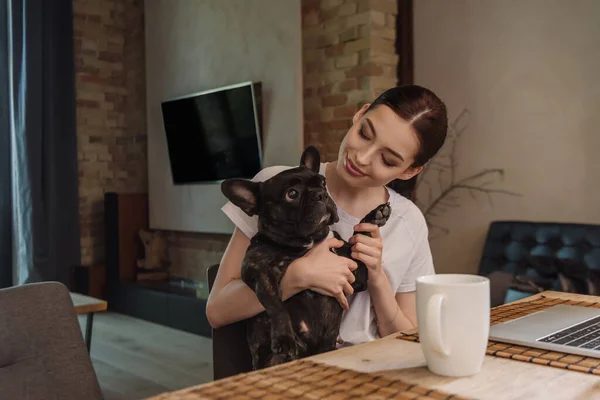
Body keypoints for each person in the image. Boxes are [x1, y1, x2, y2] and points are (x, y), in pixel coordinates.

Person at [206, 84, 448, 346]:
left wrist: (377, 279)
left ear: (410, 171)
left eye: (387, 160)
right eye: (364, 134)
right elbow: (217, 311)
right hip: (292, 371)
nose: (362, 157)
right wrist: (297, 276)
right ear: (360, 113)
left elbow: (407, 340)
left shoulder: (408, 221)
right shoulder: (277, 188)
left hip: (372, 371)